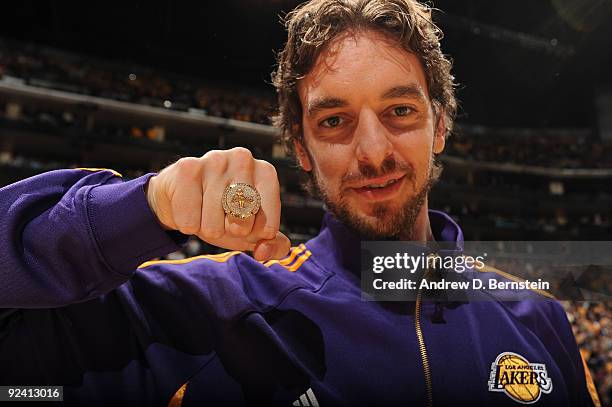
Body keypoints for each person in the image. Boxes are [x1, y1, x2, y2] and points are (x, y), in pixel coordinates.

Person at [0, 0, 600, 406]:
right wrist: (143, 206)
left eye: (400, 112)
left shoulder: (537, 318)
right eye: (334, 119)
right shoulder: (202, 310)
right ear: (302, 149)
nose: (373, 152)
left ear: (439, 127)